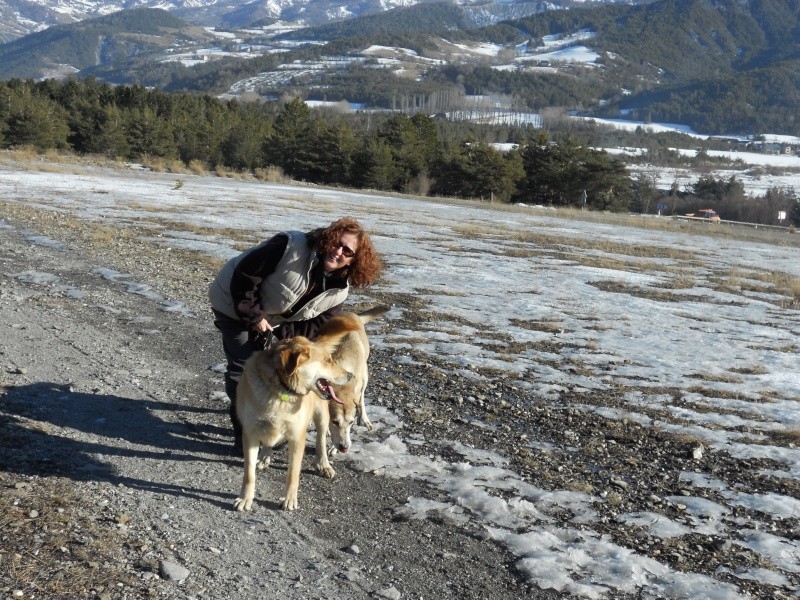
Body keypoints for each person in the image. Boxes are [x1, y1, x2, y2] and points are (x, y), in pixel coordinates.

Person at [209, 217, 383, 455]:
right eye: (337, 243)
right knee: (243, 370)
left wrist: (286, 343)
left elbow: (314, 324)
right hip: (233, 303)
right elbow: (245, 275)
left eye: (347, 251)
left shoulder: (338, 292)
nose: (338, 252)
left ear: (354, 261)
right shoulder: (290, 246)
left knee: (280, 371)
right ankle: (245, 433)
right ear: (328, 239)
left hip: (273, 319)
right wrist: (255, 317)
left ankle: (273, 423)